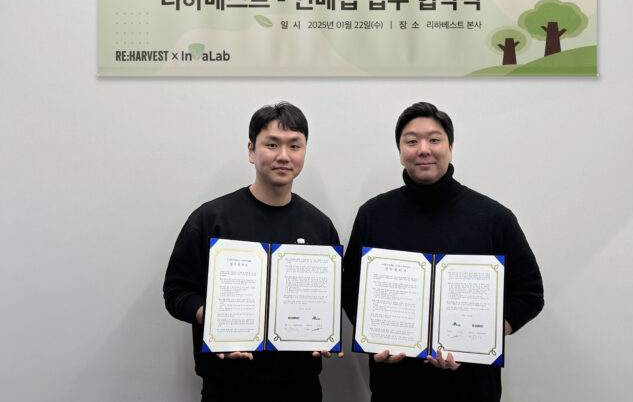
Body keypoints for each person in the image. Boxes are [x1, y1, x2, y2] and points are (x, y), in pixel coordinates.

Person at [342, 102, 544, 402]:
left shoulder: (493, 218)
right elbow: (350, 289)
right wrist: (372, 337)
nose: (423, 149)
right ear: (400, 151)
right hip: (394, 387)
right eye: (412, 141)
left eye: (434, 139)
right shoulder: (373, 214)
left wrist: (481, 337)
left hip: (471, 388)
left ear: (450, 147)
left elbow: (529, 293)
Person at [164, 102, 341, 402]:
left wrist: (325, 329)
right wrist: (215, 319)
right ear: (251, 150)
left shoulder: (319, 226)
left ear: (304, 152)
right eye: (272, 144)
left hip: (300, 387)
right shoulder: (211, 219)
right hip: (228, 386)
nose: (283, 155)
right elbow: (176, 292)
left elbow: (330, 300)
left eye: (294, 145)